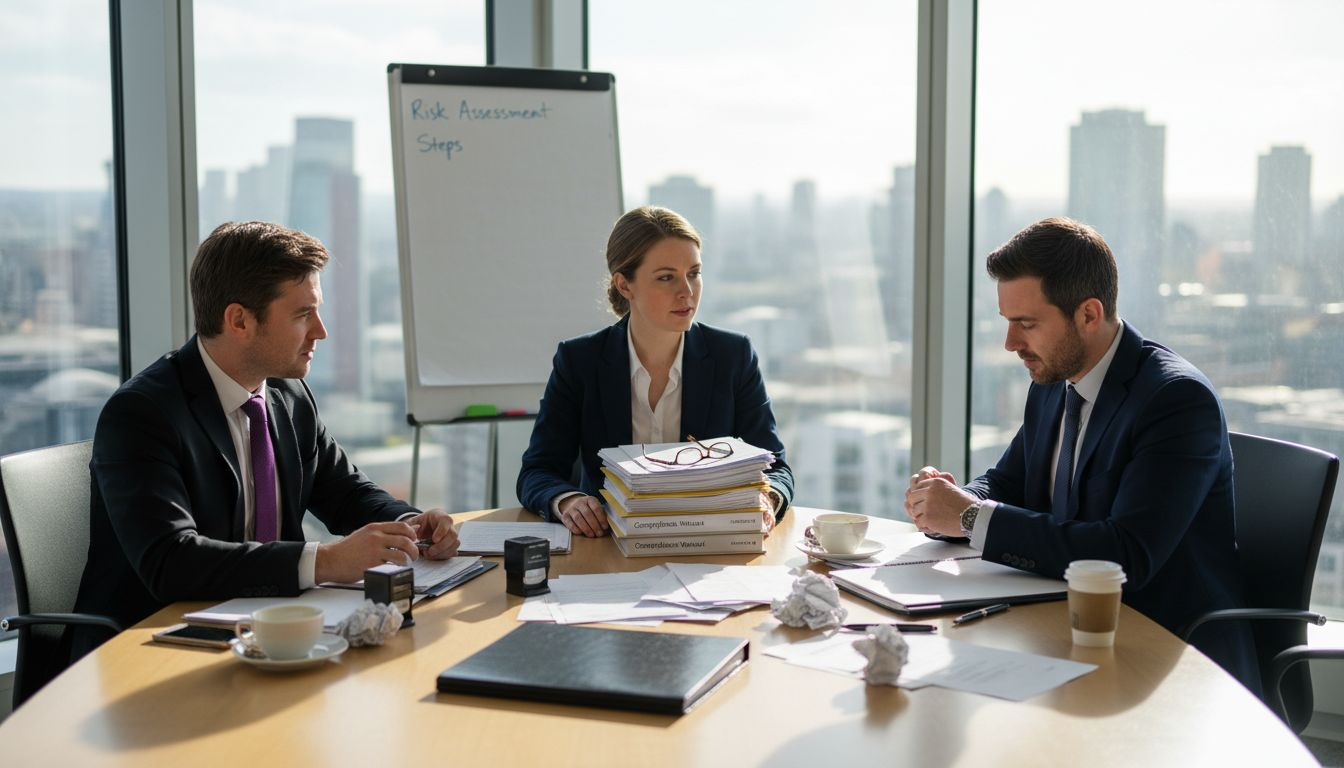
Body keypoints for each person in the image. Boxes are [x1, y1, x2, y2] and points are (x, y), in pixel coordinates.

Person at [70, 221, 460, 657]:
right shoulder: (143, 414)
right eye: (302, 314)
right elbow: (170, 561)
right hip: (154, 646)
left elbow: (345, 493)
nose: (321, 331)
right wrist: (326, 561)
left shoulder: (287, 393)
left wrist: (409, 526)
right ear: (239, 320)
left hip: (271, 629)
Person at [904, 217, 1257, 691]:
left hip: (1171, 660)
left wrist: (969, 518)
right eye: (1008, 322)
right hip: (1065, 634)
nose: (1010, 344)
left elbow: (1124, 555)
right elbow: (1009, 483)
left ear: (1089, 315)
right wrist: (946, 503)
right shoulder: (1055, 380)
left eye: (1027, 324)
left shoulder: (1175, 400)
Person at [517, 206, 794, 537]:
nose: (687, 291)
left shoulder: (733, 356)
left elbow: (774, 466)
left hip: (708, 542)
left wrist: (767, 499)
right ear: (624, 285)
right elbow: (538, 470)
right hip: (608, 544)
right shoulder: (580, 360)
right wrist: (568, 501)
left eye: (694, 273)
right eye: (666, 277)